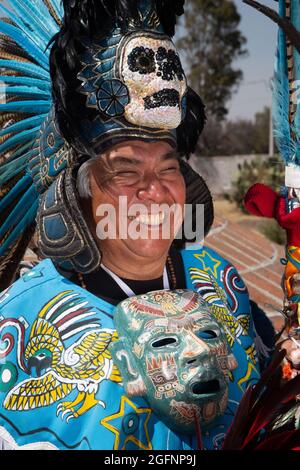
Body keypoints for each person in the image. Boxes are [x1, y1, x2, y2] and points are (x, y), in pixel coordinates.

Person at [0, 0, 274, 450]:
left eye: (168, 169)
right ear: (79, 191)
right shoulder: (20, 316)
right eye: (126, 171)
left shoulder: (222, 282)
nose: (155, 192)